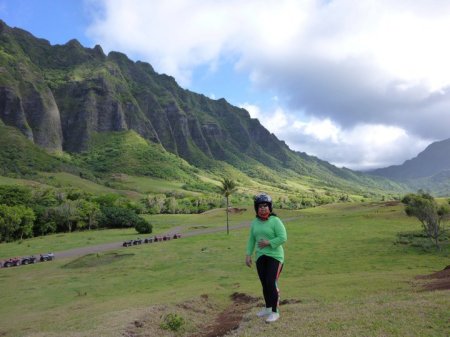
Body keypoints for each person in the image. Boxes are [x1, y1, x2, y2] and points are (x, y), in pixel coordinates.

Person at [245, 193, 287, 323]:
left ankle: (275, 312)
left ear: (270, 207)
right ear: (256, 208)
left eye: (265, 206)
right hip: (260, 257)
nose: (263, 208)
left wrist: (269, 242)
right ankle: (268, 308)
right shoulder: (254, 223)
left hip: (275, 257)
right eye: (260, 206)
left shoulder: (275, 221)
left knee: (271, 282)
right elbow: (251, 239)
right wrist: (248, 254)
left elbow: (283, 237)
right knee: (264, 284)